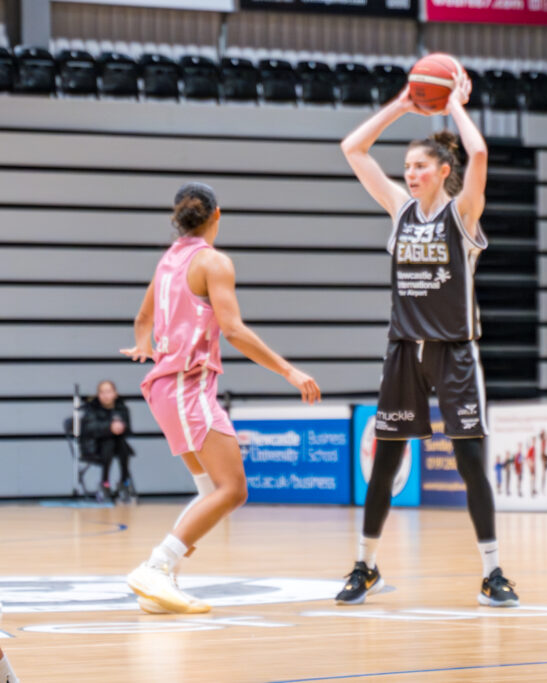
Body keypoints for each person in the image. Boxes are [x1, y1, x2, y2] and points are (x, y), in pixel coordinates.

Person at [335, 72, 518, 608]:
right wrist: (401, 105)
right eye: (407, 167)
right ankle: (364, 566)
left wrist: (455, 105)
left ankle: (493, 573)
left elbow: (479, 153)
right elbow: (353, 147)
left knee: (469, 465)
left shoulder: (463, 215)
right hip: (402, 351)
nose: (411, 174)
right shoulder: (399, 209)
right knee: (385, 466)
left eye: (420, 167)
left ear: (442, 172)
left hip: (454, 351)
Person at [120, 182, 321, 614]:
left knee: (208, 488)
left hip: (162, 386)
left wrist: (145, 346)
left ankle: (161, 583)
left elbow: (142, 318)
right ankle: (156, 567)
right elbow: (232, 330)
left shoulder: (168, 260)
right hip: (186, 386)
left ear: (178, 218)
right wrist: (289, 369)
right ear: (217, 215)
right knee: (233, 489)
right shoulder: (213, 262)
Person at [80, 379, 136, 501]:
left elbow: (128, 430)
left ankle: (124, 482)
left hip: (118, 444)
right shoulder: (92, 409)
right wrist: (109, 428)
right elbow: (89, 429)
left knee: (121, 444)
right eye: (102, 392)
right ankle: (105, 483)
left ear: (115, 393)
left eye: (109, 391)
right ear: (98, 394)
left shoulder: (122, 408)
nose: (105, 395)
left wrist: (121, 427)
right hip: (95, 446)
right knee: (109, 442)